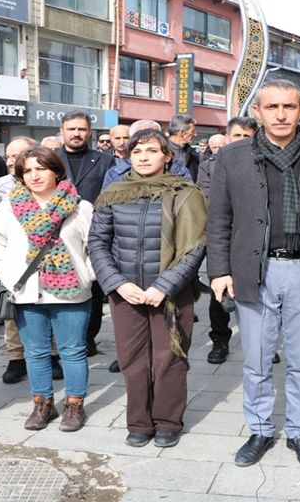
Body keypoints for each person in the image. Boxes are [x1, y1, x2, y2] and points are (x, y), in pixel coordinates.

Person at [208, 79, 300, 469]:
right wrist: (219, 270)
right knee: (256, 359)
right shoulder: (233, 156)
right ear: (257, 111)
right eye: (271, 107)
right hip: (252, 270)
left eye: (288, 107)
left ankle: (298, 430)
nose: (280, 114)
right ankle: (259, 429)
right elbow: (219, 219)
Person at [89, 128, 206, 448]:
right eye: (137, 150)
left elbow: (194, 248)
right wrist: (117, 283)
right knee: (132, 359)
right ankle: (139, 422)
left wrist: (164, 286)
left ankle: (168, 421)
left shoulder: (186, 192)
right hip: (126, 292)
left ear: (167, 155)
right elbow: (97, 243)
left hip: (171, 293)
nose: (143, 156)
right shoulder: (114, 192)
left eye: (152, 150)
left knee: (169, 357)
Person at [0, 146, 94, 432]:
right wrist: (1, 273)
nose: (34, 175)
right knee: (34, 352)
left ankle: (74, 404)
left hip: (72, 292)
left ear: (56, 171)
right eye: (28, 170)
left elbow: (93, 249)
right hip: (25, 290)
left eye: (41, 168)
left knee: (72, 351)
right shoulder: (10, 207)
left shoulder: (80, 207)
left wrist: (87, 275)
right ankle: (42, 403)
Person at [197, 117, 258, 365]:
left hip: (255, 238)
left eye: (247, 136)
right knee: (219, 294)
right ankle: (220, 340)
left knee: (260, 293)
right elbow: (209, 197)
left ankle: (261, 342)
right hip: (223, 237)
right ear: (228, 137)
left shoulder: (264, 164)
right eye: (237, 136)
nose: (241, 141)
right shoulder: (211, 164)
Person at [54, 111, 115, 357]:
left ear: (89, 132)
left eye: (81, 129)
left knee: (93, 286)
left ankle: (89, 338)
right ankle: (60, 342)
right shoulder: (50, 158)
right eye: (71, 129)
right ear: (62, 131)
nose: (76, 133)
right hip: (58, 232)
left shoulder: (103, 160)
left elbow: (111, 194)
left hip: (94, 231)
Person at [0, 136, 40, 384]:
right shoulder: (0, 186)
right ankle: (16, 358)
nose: (10, 161)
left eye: (16, 155)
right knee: (12, 310)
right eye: (8, 155)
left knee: (46, 307)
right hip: (13, 255)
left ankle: (51, 355)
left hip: (45, 256)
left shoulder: (51, 179)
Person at [102, 120, 191, 190]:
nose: (143, 158)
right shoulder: (116, 173)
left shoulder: (179, 171)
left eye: (152, 150)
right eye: (137, 151)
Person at [167, 114, 200, 182]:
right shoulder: (161, 151)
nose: (195, 134)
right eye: (192, 131)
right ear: (181, 133)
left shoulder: (193, 154)